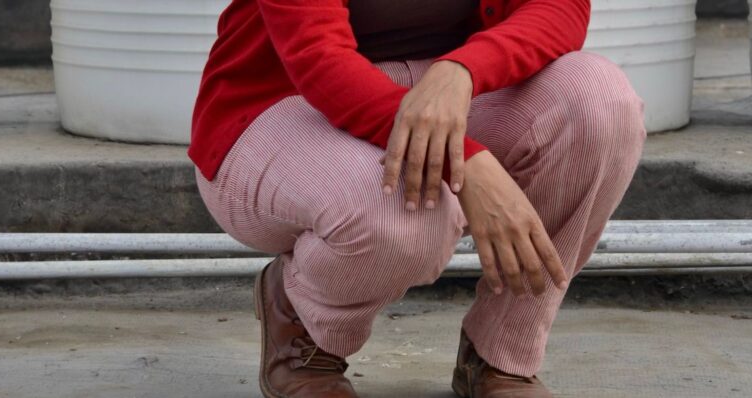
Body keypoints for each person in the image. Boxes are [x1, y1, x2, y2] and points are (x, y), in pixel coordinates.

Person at [189, 0, 646, 396]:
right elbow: (317, 58)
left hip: (446, 90)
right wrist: (471, 165)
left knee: (598, 104)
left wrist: (462, 70)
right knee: (404, 212)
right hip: (290, 103)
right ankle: (303, 324)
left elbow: (559, 8)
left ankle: (499, 355)